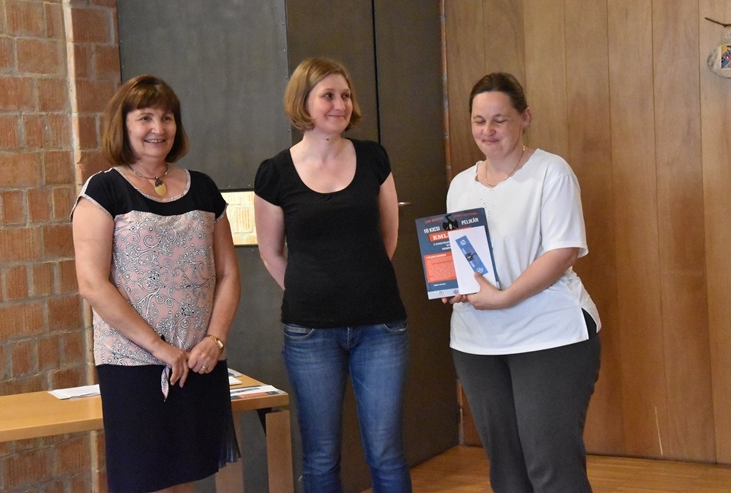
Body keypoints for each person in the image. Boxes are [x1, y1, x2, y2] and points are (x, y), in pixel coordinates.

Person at [71, 74, 241, 493]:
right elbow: (92, 284)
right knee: (145, 481)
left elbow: (228, 274)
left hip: (198, 361)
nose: (158, 128)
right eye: (145, 117)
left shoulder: (203, 188)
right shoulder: (104, 189)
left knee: (187, 477)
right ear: (123, 125)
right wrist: (159, 347)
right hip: (134, 366)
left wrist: (215, 339)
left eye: (167, 118)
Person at [254, 57, 412, 493]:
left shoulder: (374, 157)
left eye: (345, 95)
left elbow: (389, 235)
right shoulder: (275, 172)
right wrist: (311, 289)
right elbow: (270, 252)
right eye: (328, 95)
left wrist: (357, 280)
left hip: (381, 325)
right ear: (303, 102)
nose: (340, 104)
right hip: (310, 332)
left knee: (386, 452)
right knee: (321, 456)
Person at [445, 72, 601, 492]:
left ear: (524, 118)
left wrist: (504, 297)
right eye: (479, 121)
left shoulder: (551, 172)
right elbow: (463, 259)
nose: (488, 131)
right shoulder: (460, 186)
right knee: (507, 472)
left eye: (500, 120)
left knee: (551, 467)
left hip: (550, 336)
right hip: (477, 343)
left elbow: (563, 251)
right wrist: (453, 284)